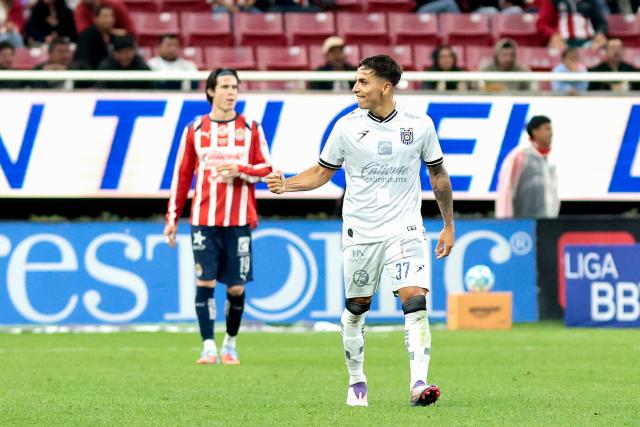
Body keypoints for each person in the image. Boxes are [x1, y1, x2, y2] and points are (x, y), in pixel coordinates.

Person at [266, 55, 454, 407]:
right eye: (355, 81)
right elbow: (322, 172)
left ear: (385, 86)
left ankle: (419, 383)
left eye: (363, 82)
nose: (355, 88)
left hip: (406, 228)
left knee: (415, 300)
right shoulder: (346, 127)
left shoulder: (420, 125)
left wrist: (448, 225)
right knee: (357, 307)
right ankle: (356, 380)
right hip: (361, 232)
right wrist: (286, 186)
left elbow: (438, 175)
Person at [163, 68, 273, 366]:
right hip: (203, 219)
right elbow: (181, 177)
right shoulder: (195, 129)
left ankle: (231, 344)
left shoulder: (251, 127)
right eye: (225, 86)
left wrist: (241, 170)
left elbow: (267, 169)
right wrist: (172, 217)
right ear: (211, 91)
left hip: (238, 221)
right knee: (205, 282)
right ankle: (208, 346)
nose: (231, 92)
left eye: (235, 86)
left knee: (236, 287)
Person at [495, 115, 560, 218]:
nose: (551, 133)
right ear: (535, 132)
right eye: (547, 129)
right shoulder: (520, 155)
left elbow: (553, 194)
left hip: (546, 222)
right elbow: (506, 188)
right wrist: (504, 221)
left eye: (551, 129)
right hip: (522, 223)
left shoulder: (550, 161)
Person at [536, 0, 608, 51]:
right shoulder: (552, 1)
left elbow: (601, 22)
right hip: (563, 41)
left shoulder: (591, 1)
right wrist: (553, 35)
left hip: (588, 41)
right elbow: (542, 24)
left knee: (607, 48)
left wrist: (600, 34)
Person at [74, 5, 115, 69]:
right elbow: (83, 60)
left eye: (111, 16)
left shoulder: (115, 37)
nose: (109, 20)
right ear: (95, 19)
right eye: (105, 16)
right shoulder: (87, 35)